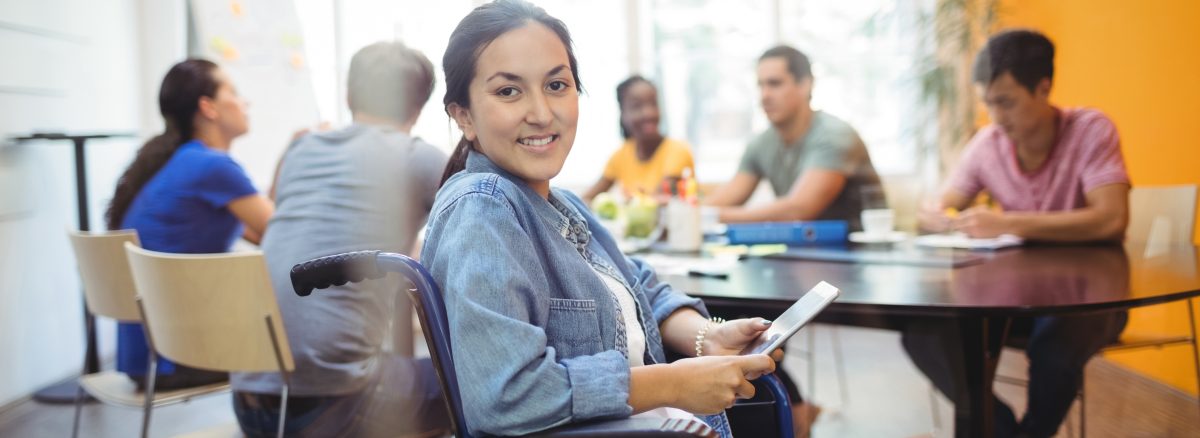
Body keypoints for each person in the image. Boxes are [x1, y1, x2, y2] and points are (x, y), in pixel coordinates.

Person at [421, 1, 784, 436]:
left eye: (556, 84)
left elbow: (640, 286)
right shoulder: (483, 209)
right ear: (463, 115)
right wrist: (674, 383)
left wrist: (706, 336)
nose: (541, 112)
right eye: (508, 91)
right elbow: (507, 397)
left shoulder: (565, 206)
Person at [908, 29, 1130, 437]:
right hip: (1017, 297)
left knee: (1056, 339)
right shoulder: (989, 143)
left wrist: (1008, 221)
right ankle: (1003, 429)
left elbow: (1111, 219)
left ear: (1043, 87)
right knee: (924, 335)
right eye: (988, 103)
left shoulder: (1090, 130)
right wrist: (938, 215)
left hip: (1092, 298)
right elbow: (943, 204)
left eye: (1006, 102)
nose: (996, 116)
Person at [228, 42, 450, 437]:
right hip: (336, 406)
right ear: (418, 108)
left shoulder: (300, 148)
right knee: (476, 380)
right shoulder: (417, 156)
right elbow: (481, 222)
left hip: (249, 401)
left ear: (348, 97)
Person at [105, 58, 273, 390]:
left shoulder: (179, 162)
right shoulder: (211, 166)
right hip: (180, 356)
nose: (245, 103)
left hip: (145, 358)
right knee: (306, 347)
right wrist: (296, 152)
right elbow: (284, 231)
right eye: (234, 93)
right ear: (208, 107)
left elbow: (260, 231)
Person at [704, 45, 882, 230]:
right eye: (760, 85)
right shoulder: (761, 143)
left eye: (775, 84)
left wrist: (712, 216)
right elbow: (723, 200)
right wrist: (690, 211)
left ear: (805, 85)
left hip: (857, 252)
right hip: (801, 252)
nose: (764, 95)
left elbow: (798, 210)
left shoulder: (835, 135)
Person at [581, 75, 696, 203]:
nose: (649, 113)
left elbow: (658, 204)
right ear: (622, 113)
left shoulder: (678, 151)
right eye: (637, 106)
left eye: (653, 103)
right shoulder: (620, 155)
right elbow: (585, 199)